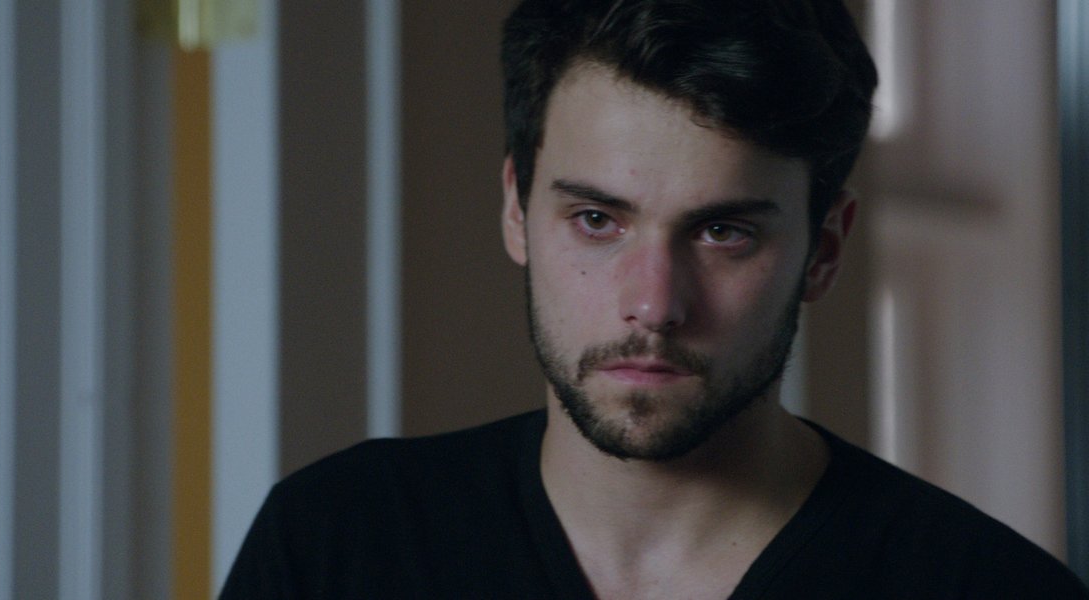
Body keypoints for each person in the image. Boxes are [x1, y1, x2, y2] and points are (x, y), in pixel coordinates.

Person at [221, 0, 1089, 597]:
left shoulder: (986, 588)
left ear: (824, 251)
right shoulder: (339, 543)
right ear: (517, 211)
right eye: (597, 220)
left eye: (724, 232)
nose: (654, 303)